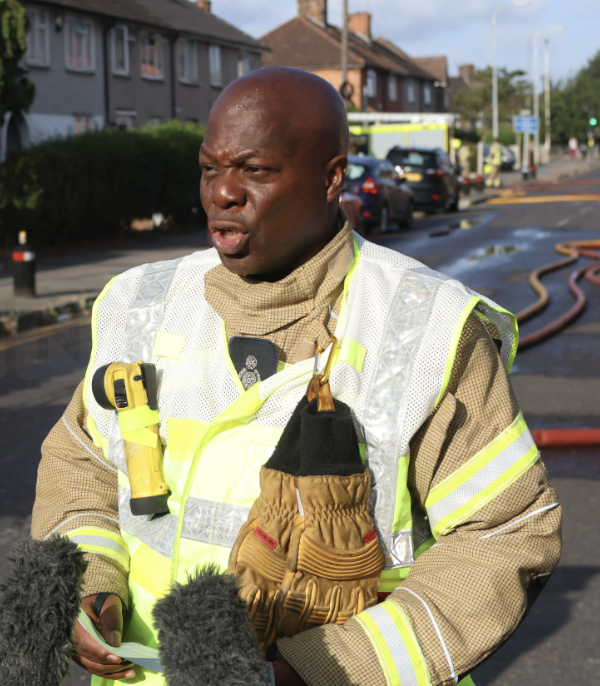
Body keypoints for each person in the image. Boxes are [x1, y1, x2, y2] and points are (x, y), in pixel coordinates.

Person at [32, 67, 560, 686]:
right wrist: (90, 584)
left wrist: (322, 669)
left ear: (332, 177)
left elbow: (503, 533)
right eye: (209, 168)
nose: (221, 194)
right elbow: (81, 464)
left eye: (254, 170)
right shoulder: (141, 303)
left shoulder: (427, 329)